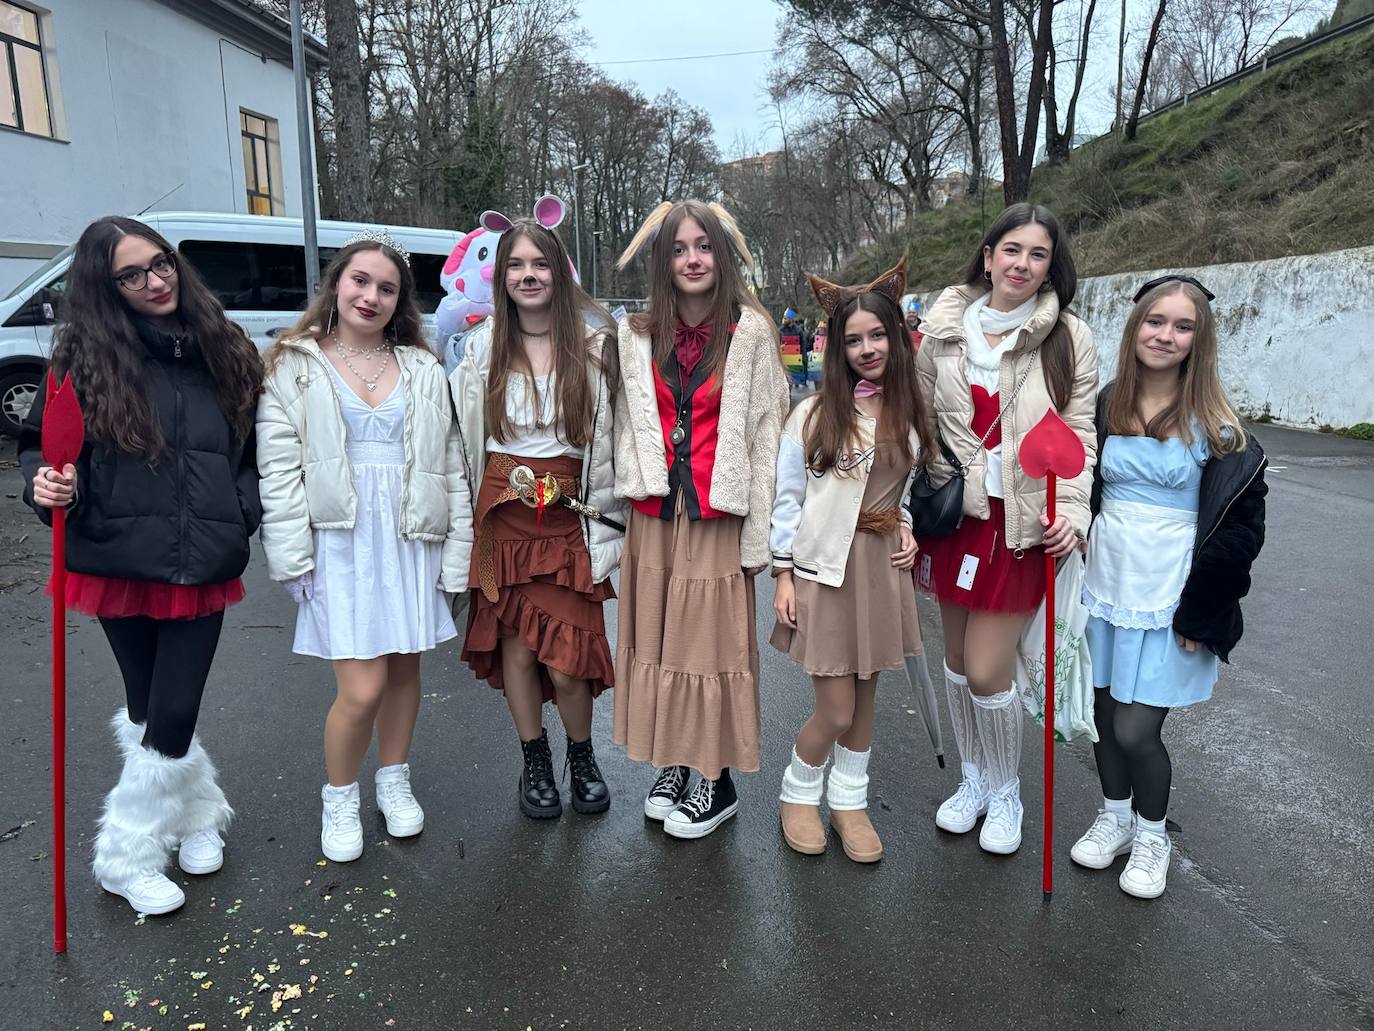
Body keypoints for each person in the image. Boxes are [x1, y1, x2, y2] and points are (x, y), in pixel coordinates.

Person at [19, 216, 263, 914]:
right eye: (132, 274)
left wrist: (240, 507)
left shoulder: (226, 349)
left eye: (161, 264)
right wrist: (48, 487)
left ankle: (133, 847)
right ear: (106, 286)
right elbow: (41, 449)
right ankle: (175, 827)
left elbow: (249, 453)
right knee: (147, 703)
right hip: (117, 554)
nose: (155, 282)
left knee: (175, 706)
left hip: (205, 556)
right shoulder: (82, 362)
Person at [256, 232, 470, 863]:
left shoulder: (426, 368)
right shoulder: (294, 363)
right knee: (361, 688)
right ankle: (341, 795)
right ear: (336, 284)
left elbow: (450, 466)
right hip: (338, 541)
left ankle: (394, 778)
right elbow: (279, 466)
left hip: (410, 535)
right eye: (360, 281)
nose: (370, 296)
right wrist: (293, 557)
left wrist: (457, 552)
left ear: (400, 300)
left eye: (386, 287)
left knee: (405, 671)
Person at [1070, 275, 1267, 898]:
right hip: (1103, 579)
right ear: (1136, 327)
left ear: (1199, 341)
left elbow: (1241, 533)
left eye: (1183, 326)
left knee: (1136, 729)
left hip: (1170, 591)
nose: (1166, 335)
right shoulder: (1103, 405)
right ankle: (1115, 816)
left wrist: (1205, 612)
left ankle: (1152, 834)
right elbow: (1078, 486)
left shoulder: (1219, 426)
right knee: (1102, 716)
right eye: (1156, 321)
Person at [915, 202, 1099, 855]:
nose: (1022, 264)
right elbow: (920, 426)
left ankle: (1007, 793)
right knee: (958, 663)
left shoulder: (1067, 337)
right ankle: (972, 780)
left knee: (991, 669)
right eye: (1011, 249)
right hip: (956, 519)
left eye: (1038, 253)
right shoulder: (941, 331)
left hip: (1020, 522)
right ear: (988, 255)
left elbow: (1079, 432)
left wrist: (1072, 509)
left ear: (1052, 265)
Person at [611, 199, 789, 838]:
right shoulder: (633, 337)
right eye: (679, 248)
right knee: (660, 640)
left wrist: (762, 534)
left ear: (722, 254)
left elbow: (769, 435)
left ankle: (716, 778)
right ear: (663, 260)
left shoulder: (751, 333)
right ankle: (677, 761)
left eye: (703, 246)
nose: (692, 259)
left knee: (709, 647)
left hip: (717, 515)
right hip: (655, 514)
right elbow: (619, 425)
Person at [451, 211, 624, 819]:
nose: (529, 275)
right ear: (501, 276)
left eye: (540, 263)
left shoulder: (598, 348)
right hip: (504, 514)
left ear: (559, 271)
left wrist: (617, 517)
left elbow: (614, 439)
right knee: (518, 651)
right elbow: (463, 441)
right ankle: (535, 760)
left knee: (570, 659)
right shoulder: (480, 347)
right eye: (517, 265)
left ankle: (582, 754)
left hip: (571, 514)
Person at [769, 259, 931, 862]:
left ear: (896, 337)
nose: (867, 348)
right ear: (837, 347)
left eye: (877, 335)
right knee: (835, 706)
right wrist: (782, 574)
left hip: (882, 569)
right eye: (853, 339)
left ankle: (850, 801)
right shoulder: (812, 416)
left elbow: (903, 489)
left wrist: (907, 527)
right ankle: (798, 793)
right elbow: (787, 502)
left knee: (867, 700)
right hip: (825, 573)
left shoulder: (910, 410)